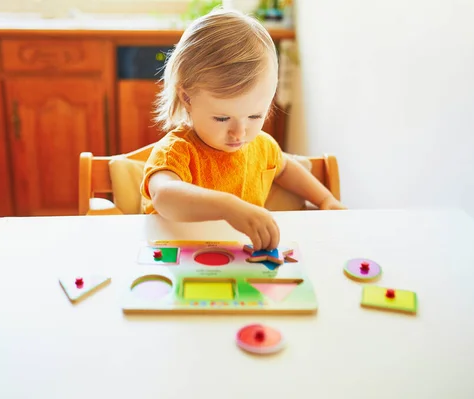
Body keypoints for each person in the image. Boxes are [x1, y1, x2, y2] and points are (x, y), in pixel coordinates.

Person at [140, 8, 346, 251]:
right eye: (222, 118)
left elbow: (285, 167)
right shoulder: (176, 152)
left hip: (239, 256)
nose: (239, 132)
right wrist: (227, 206)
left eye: (254, 115)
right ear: (187, 98)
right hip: (178, 257)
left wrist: (324, 199)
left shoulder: (261, 146)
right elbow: (164, 196)